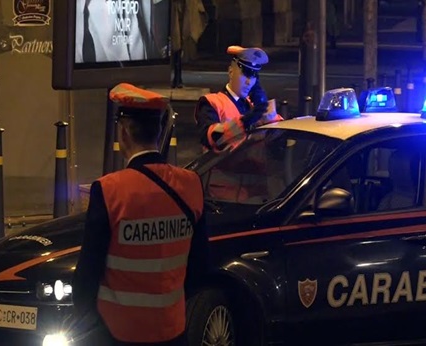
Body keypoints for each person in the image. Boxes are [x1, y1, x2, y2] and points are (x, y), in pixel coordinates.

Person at [70, 83, 208, 346]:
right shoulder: (191, 185)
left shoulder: (109, 191)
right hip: (172, 331)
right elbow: (200, 268)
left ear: (123, 133)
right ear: (159, 131)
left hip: (117, 333)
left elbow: (87, 274)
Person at [194, 45, 283, 153]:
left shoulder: (254, 106)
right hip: (223, 169)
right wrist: (244, 122)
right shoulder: (211, 102)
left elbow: (278, 135)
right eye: (245, 74)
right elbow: (211, 138)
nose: (249, 82)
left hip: (255, 168)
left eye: (254, 76)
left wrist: (265, 110)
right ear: (231, 72)